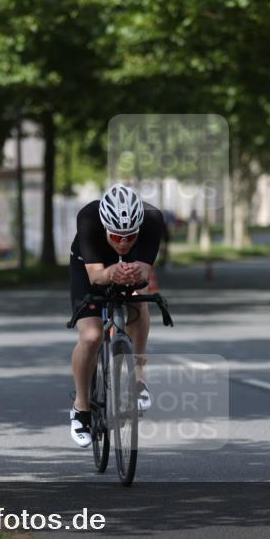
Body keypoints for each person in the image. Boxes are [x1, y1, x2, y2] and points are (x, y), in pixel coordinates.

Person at [68, 183, 166, 447]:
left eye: (130, 236)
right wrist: (111, 273)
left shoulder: (152, 220)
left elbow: (145, 273)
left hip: (130, 268)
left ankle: (138, 378)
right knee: (91, 336)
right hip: (90, 267)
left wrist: (134, 275)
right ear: (105, 227)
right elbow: (95, 275)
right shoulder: (88, 218)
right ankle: (81, 408)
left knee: (139, 303)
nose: (123, 242)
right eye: (116, 236)